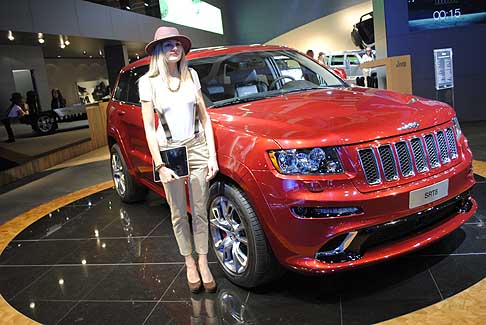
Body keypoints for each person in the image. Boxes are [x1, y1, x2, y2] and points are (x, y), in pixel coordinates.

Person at [138, 26, 219, 293]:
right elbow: (149, 128)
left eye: (177, 44)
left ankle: (204, 262)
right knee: (177, 213)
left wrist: (212, 156)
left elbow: (205, 119)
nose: (174, 47)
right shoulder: (147, 82)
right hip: (169, 151)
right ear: (159, 51)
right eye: (167, 44)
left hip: (197, 148)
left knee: (199, 209)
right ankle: (189, 262)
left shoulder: (191, 75)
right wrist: (159, 164)